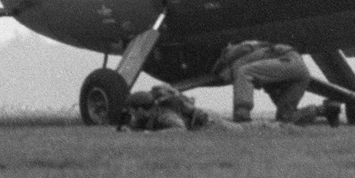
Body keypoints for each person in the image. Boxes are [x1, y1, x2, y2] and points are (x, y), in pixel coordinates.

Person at [209, 40, 340, 126]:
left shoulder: (235, 58)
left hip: (287, 60)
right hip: (300, 71)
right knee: (285, 118)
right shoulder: (261, 68)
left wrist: (226, 60)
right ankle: (327, 110)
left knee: (244, 72)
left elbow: (241, 62)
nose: (226, 80)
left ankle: (242, 116)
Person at [121, 83, 210, 131]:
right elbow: (137, 125)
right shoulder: (144, 117)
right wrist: (129, 129)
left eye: (132, 110)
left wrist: (152, 135)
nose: (131, 113)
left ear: (140, 110)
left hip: (211, 122)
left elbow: (179, 128)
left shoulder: (164, 115)